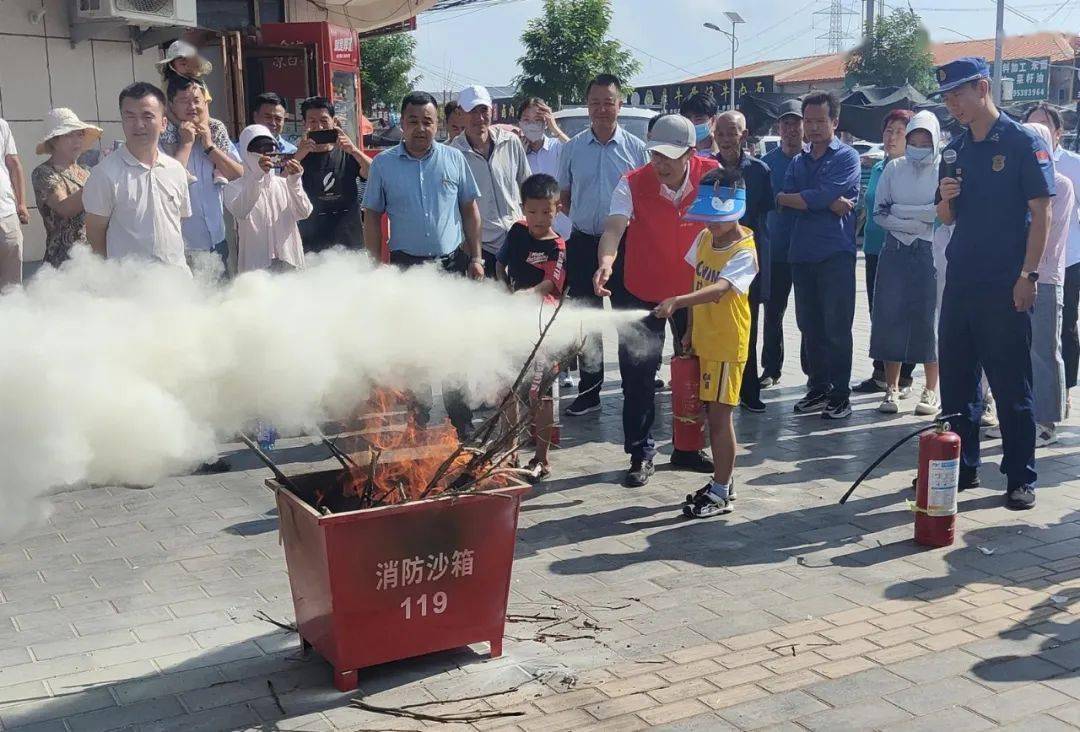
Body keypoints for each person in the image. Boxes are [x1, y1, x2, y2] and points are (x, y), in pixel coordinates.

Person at [934, 57, 1054, 511]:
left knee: (1010, 383)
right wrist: (946, 200)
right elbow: (944, 217)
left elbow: (1042, 212)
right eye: (947, 97)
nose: (953, 104)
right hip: (962, 279)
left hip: (1006, 283)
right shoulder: (955, 149)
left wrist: (1029, 275)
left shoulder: (1021, 141)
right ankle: (961, 467)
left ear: (983, 87)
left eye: (959, 94)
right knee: (959, 383)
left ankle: (1020, 475)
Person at [592, 114, 719, 486]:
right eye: (654, 155)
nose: (660, 164)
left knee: (695, 371)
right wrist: (606, 262)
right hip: (641, 288)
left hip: (694, 292)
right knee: (638, 373)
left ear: (691, 154)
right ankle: (640, 452)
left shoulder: (712, 176)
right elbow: (614, 227)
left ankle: (688, 446)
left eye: (669, 156)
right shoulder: (632, 182)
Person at [361, 91, 483, 438]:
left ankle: (463, 426)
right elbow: (371, 216)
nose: (420, 128)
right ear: (401, 124)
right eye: (412, 121)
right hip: (407, 270)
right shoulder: (384, 164)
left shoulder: (454, 159)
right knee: (415, 350)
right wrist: (375, 266)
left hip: (450, 267)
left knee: (454, 347)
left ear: (437, 124)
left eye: (427, 121)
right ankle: (417, 424)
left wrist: (476, 256)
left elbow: (469, 210)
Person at [653, 167, 758, 518]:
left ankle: (722, 490)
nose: (710, 224)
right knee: (705, 413)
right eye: (707, 218)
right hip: (703, 340)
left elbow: (719, 290)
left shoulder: (745, 250)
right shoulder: (702, 240)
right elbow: (698, 281)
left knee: (719, 418)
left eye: (717, 218)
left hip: (728, 344)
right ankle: (720, 482)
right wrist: (688, 329)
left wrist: (677, 302)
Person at [557, 73, 648, 416]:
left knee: (626, 318)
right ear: (587, 106)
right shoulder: (572, 148)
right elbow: (564, 197)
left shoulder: (636, 150)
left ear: (620, 105)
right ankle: (590, 391)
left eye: (608, 102)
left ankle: (633, 386)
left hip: (625, 248)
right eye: (595, 102)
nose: (601, 109)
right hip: (582, 244)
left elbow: (644, 202)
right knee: (587, 322)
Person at [776, 91, 861, 419]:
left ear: (834, 122)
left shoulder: (847, 157)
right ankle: (818, 388)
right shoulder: (798, 160)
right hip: (802, 253)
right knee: (809, 325)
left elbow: (813, 195)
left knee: (837, 327)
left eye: (819, 121)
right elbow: (784, 197)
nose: (811, 128)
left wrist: (810, 198)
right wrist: (824, 201)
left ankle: (840, 394)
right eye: (807, 121)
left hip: (835, 254)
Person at [869, 111, 943, 416]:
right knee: (890, 316)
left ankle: (930, 390)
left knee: (929, 320)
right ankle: (892, 387)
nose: (919, 144)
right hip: (895, 248)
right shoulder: (894, 168)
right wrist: (916, 217)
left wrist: (905, 214)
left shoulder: (943, 169)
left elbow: (940, 212)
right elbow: (879, 212)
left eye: (926, 140)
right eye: (915, 138)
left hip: (931, 250)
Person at [496, 173, 567, 480]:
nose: (539, 219)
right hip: (511, 324)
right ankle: (510, 450)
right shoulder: (516, 231)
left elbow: (552, 282)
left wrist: (527, 296)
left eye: (546, 212)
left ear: (558, 209)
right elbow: (500, 263)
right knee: (507, 389)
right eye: (533, 211)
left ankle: (541, 459)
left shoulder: (558, 246)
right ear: (523, 209)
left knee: (541, 395)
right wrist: (502, 290)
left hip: (543, 329)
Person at [83, 82, 191, 272]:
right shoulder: (105, 173)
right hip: (130, 289)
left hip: (177, 282)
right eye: (130, 117)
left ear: (164, 123)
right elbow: (95, 233)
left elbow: (178, 222)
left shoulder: (176, 170)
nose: (138, 125)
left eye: (147, 116)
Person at [854, 109, 917, 396]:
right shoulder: (879, 168)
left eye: (899, 132)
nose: (892, 137)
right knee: (878, 312)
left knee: (904, 312)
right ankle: (881, 372)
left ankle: (904, 375)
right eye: (888, 131)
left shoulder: (915, 170)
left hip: (905, 250)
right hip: (874, 248)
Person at [713, 110, 772, 413]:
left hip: (748, 259)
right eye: (720, 133)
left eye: (731, 132)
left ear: (744, 135)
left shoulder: (760, 171)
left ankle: (748, 389)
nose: (725, 138)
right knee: (713, 325)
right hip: (713, 257)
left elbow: (763, 218)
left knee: (746, 327)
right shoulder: (706, 169)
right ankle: (714, 388)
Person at [1024, 104, 1080, 416]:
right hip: (1021, 270)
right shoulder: (1019, 172)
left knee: (1058, 336)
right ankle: (1031, 406)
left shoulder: (1067, 173)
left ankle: (1056, 403)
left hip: (1062, 262)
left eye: (1042, 127)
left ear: (1056, 133)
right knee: (1025, 345)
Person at [161, 76, 243, 271]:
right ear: (171, 105)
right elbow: (168, 181)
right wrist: (187, 143)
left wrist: (210, 147)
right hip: (183, 246)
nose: (192, 106)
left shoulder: (213, 129)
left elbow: (237, 173)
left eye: (197, 100)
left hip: (217, 240)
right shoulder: (165, 135)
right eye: (184, 101)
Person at [449, 85, 531, 277]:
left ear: (492, 111)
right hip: (480, 249)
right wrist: (468, 249)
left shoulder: (510, 142)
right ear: (460, 114)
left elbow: (527, 187)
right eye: (472, 112)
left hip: (517, 240)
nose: (479, 118)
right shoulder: (453, 154)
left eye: (483, 110)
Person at [224, 124, 311, 274]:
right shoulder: (233, 187)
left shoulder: (285, 183)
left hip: (289, 261)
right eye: (258, 149)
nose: (265, 154)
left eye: (270, 149)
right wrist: (257, 176)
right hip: (256, 267)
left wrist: (295, 181)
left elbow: (305, 212)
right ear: (246, 152)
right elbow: (241, 210)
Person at [760, 99, 805, 387]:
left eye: (795, 123)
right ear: (779, 127)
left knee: (808, 317)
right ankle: (771, 368)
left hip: (804, 251)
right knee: (772, 313)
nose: (790, 129)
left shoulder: (812, 160)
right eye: (785, 123)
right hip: (774, 251)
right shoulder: (766, 164)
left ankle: (812, 372)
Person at [295, 96, 372, 254]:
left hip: (350, 243)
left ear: (334, 122)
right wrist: (298, 156)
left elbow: (376, 174)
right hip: (310, 244)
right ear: (304, 124)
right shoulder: (298, 158)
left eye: (324, 120)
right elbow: (279, 187)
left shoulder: (348, 153)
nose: (319, 127)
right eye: (312, 121)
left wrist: (354, 150)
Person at [31, 108, 102, 267]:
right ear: (54, 140)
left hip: (93, 258)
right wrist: (101, 179)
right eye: (69, 134)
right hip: (62, 261)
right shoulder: (43, 173)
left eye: (80, 134)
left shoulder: (87, 172)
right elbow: (65, 208)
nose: (77, 140)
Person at [518, 97, 572, 241]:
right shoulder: (517, 151)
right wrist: (519, 155)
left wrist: (555, 129)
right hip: (533, 230)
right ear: (520, 123)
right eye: (526, 120)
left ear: (545, 123)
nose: (532, 125)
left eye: (537, 120)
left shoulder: (557, 147)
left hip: (564, 227)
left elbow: (576, 153)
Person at [0, 114, 28, 288]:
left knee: (11, 287)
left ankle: (11, 314)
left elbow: (14, 164)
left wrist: (21, 203)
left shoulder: (1, 125)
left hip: (6, 213)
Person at [679, 92, 719, 157]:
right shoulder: (678, 153)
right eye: (688, 119)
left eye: (698, 119)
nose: (692, 123)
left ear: (713, 120)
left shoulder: (724, 151)